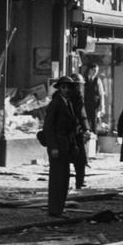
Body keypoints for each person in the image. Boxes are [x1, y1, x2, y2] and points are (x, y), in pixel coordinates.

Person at [43, 76, 79, 218]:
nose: (66, 90)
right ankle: (55, 209)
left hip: (66, 146)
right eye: (64, 87)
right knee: (57, 179)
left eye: (68, 87)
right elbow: (48, 127)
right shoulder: (55, 104)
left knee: (64, 179)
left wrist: (74, 144)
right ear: (59, 88)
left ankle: (60, 207)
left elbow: (71, 128)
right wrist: (53, 147)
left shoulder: (68, 103)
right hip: (58, 146)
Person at [70, 73, 91, 189]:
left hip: (62, 130)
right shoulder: (77, 95)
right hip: (75, 130)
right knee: (80, 159)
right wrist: (86, 128)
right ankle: (80, 182)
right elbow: (81, 112)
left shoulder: (58, 94)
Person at [83, 63, 105, 133]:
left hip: (94, 104)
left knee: (94, 122)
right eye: (94, 70)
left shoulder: (98, 80)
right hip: (86, 103)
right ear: (90, 70)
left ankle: (94, 138)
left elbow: (101, 94)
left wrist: (102, 105)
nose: (96, 72)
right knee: (86, 121)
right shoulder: (84, 79)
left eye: (97, 70)